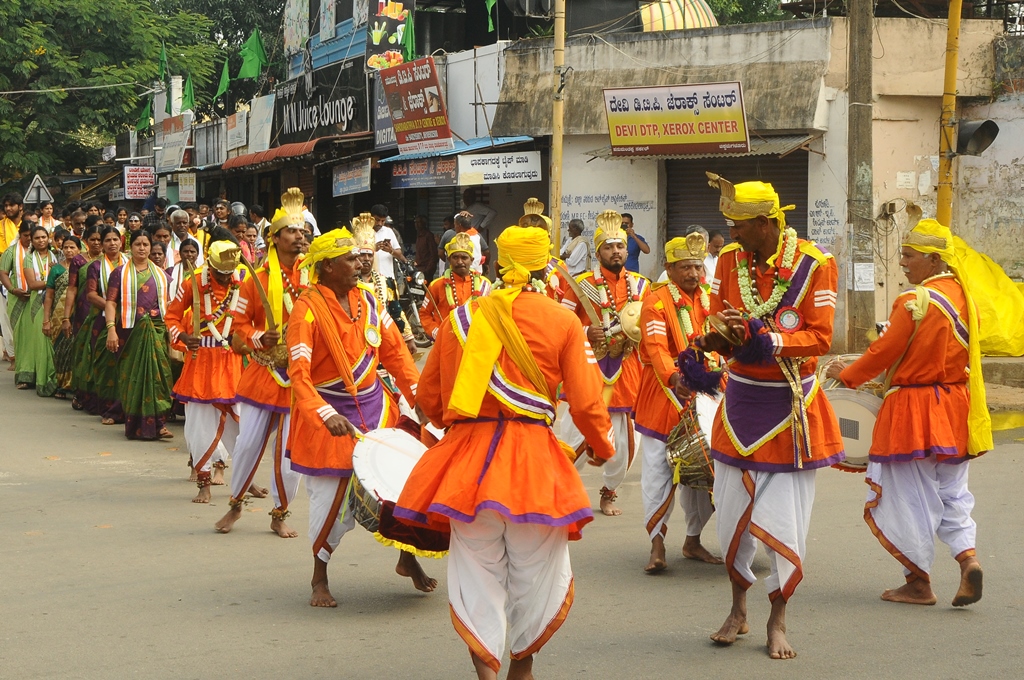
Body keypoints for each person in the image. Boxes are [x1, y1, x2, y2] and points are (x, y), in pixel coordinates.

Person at [394, 226, 615, 679]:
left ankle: (487, 674)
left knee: (476, 574)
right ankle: (523, 668)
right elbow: (589, 402)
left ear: (495, 265)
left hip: (467, 467)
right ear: (544, 266)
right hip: (535, 464)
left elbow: (431, 402)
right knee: (535, 574)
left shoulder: (461, 319)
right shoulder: (563, 320)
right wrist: (600, 445)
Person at [699, 175, 844, 659]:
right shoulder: (727, 261)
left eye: (739, 226)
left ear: (766, 223)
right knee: (731, 521)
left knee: (784, 523)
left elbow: (821, 338)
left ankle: (777, 620)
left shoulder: (816, 265)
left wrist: (771, 340)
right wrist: (708, 343)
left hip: (789, 408)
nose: (731, 234)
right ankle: (738, 609)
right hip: (739, 402)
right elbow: (718, 319)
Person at [826, 219, 990, 608]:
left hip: (913, 410)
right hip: (954, 407)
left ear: (933, 260)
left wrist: (846, 375)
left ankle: (918, 583)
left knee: (908, 497)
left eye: (909, 256)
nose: (902, 263)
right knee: (952, 492)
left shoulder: (915, 301)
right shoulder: (967, 298)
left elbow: (883, 353)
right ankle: (968, 559)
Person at [285, 228, 434, 607]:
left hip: (376, 407)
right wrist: (324, 413)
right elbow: (299, 375)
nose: (360, 263)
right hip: (329, 415)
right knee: (330, 504)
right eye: (351, 259)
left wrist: (417, 397)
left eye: (360, 257)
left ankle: (407, 557)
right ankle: (319, 577)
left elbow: (397, 355)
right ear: (327, 267)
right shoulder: (306, 310)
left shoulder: (368, 301)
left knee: (400, 489)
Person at [215, 190, 308, 539]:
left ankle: (280, 513)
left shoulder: (313, 277)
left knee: (289, 454)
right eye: (292, 231)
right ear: (275, 237)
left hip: (300, 375)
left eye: (302, 231)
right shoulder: (255, 278)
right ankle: (235, 504)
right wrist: (258, 339)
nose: (299, 236)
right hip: (264, 372)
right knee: (249, 444)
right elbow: (237, 329)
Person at [635, 233, 722, 572]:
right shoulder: (655, 301)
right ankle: (657, 544)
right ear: (669, 268)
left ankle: (693, 540)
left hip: (705, 393)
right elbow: (655, 347)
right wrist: (675, 377)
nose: (694, 273)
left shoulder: (710, 299)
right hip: (664, 394)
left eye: (698, 266)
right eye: (686, 267)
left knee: (703, 466)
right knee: (658, 470)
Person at [559, 211, 650, 516]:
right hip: (588, 370)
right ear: (598, 253)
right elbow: (560, 321)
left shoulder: (642, 286)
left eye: (620, 247)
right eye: (609, 247)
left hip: (626, 372)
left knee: (625, 447)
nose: (616, 252)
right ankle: (558, 490)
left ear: (627, 250)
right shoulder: (581, 284)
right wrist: (585, 330)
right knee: (573, 438)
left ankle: (608, 492)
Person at [166, 240, 246, 502]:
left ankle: (246, 479)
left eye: (228, 272)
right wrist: (183, 337)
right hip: (200, 363)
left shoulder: (241, 281)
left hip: (231, 363)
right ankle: (204, 481)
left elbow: (253, 318)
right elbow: (172, 317)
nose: (224, 277)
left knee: (243, 427)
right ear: (210, 265)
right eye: (219, 272)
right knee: (200, 427)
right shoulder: (193, 282)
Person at [104, 230, 173, 440]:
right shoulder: (119, 273)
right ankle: (134, 424)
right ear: (130, 247)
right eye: (137, 244)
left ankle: (159, 423)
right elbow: (110, 302)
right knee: (131, 377)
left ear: (151, 247)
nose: (142, 248)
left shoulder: (162, 276)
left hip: (157, 332)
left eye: (145, 244)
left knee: (158, 378)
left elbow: (168, 306)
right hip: (128, 333)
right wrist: (111, 329)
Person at [420, 232, 492, 342]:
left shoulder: (485, 284)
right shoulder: (437, 285)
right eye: (455, 257)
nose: (459, 262)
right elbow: (425, 314)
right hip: (446, 342)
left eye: (464, 257)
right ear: (449, 259)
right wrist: (437, 333)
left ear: (471, 260)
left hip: (475, 343)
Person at [15, 226, 58, 395]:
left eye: (43, 237)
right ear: (31, 241)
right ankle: (42, 379)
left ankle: (56, 378)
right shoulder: (28, 259)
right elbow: (32, 284)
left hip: (57, 300)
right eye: (37, 238)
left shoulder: (57, 256)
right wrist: (53, 279)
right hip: (38, 302)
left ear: (48, 238)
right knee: (41, 340)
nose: (41, 240)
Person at [66, 226, 103, 410]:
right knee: (84, 352)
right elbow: (72, 288)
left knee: (101, 351)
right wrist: (66, 316)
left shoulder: (113, 261)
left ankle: (102, 396)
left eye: (99, 239)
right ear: (85, 241)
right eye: (93, 239)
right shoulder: (78, 260)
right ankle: (83, 394)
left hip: (104, 311)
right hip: (83, 310)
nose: (96, 243)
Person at [43, 235, 82, 399]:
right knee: (60, 349)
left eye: (72, 247)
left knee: (75, 349)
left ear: (79, 249)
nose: (69, 250)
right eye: (66, 247)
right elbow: (49, 295)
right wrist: (46, 320)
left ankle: (75, 385)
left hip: (78, 314)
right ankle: (61, 384)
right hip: (59, 317)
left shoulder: (84, 268)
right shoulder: (56, 270)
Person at [0, 216, 29, 365]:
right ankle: (14, 359)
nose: (29, 239)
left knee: (33, 333)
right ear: (20, 234)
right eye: (26, 236)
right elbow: (3, 273)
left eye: (32, 235)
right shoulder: (11, 252)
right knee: (15, 328)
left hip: (37, 297)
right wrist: (12, 289)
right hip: (15, 295)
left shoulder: (43, 251)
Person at [370, 204, 405, 281]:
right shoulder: (364, 232)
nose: (380, 223)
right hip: (370, 278)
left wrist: (390, 250)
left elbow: (399, 253)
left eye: (382, 221)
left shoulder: (389, 231)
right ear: (371, 218)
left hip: (388, 277)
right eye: (377, 220)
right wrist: (373, 249)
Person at [413, 215, 438, 281]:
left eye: (419, 222)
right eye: (415, 222)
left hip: (426, 270)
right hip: (418, 269)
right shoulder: (419, 236)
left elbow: (434, 254)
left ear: (424, 224)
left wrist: (428, 270)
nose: (416, 224)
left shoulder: (428, 236)